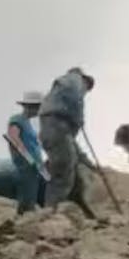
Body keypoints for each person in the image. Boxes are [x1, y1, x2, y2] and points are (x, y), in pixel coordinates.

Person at [39, 67, 98, 216]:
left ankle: (82, 212)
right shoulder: (75, 80)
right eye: (87, 89)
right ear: (85, 80)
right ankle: (51, 213)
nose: (85, 93)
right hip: (58, 126)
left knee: (69, 171)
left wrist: (90, 165)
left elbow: (73, 147)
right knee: (63, 173)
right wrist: (79, 119)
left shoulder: (59, 91)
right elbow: (75, 98)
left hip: (51, 129)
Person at [5, 90, 48, 215]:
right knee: (27, 201)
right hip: (26, 166)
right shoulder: (16, 120)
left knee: (33, 198)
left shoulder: (28, 124)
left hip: (35, 166)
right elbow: (13, 138)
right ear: (31, 107)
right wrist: (29, 159)